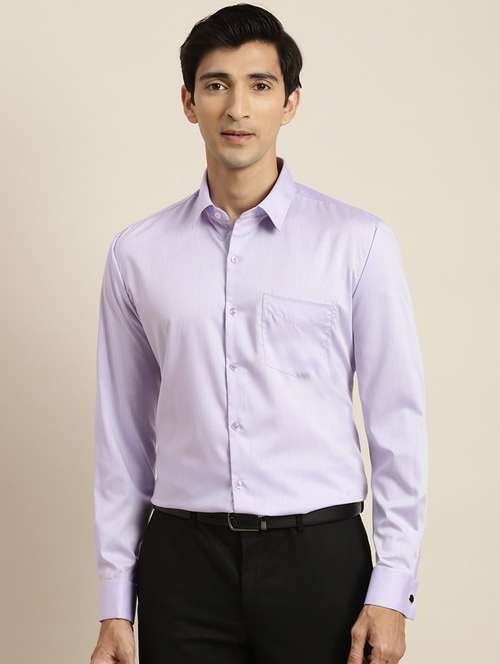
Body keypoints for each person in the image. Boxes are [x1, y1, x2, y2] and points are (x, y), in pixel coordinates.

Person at [90, 4, 428, 664]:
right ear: (189, 102)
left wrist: (393, 590)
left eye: (260, 85)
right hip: (182, 564)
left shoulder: (356, 243)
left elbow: (398, 421)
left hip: (319, 559)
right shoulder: (137, 254)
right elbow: (122, 438)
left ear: (290, 103)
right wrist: (114, 604)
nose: (237, 107)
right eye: (216, 85)